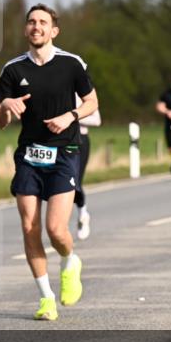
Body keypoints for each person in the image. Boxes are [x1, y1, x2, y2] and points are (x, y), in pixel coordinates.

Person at [0, 5, 99, 321]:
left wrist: (70, 115)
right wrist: (6, 107)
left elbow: (93, 102)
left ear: (54, 30)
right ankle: (46, 298)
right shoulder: (12, 70)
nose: (36, 26)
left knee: (56, 229)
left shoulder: (72, 64)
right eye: (31, 22)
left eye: (43, 22)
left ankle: (70, 260)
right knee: (29, 227)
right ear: (26, 30)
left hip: (65, 153)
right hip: (28, 155)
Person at [74, 94, 101, 240]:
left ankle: (82, 213)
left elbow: (97, 120)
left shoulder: (83, 93)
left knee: (75, 181)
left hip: (80, 140)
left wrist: (73, 116)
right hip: (58, 141)